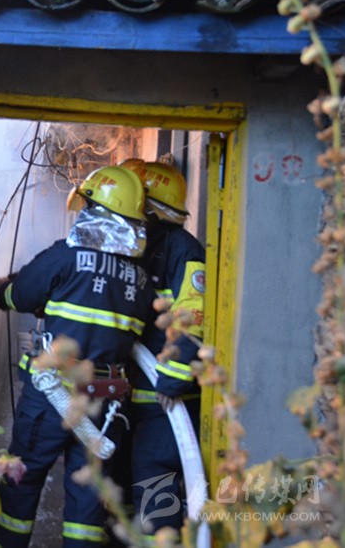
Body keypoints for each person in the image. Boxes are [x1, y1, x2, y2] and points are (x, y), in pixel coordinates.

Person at [0, 165, 156, 548]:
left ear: (96, 211)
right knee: (88, 502)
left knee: (21, 483)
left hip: (52, 396)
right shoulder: (141, 280)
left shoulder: (65, 256)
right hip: (105, 404)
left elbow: (22, 294)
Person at [120, 159, 206, 542]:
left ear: (150, 209)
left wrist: (170, 381)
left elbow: (192, 318)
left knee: (155, 491)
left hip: (167, 409)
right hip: (137, 404)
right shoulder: (140, 248)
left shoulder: (182, 251)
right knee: (130, 490)